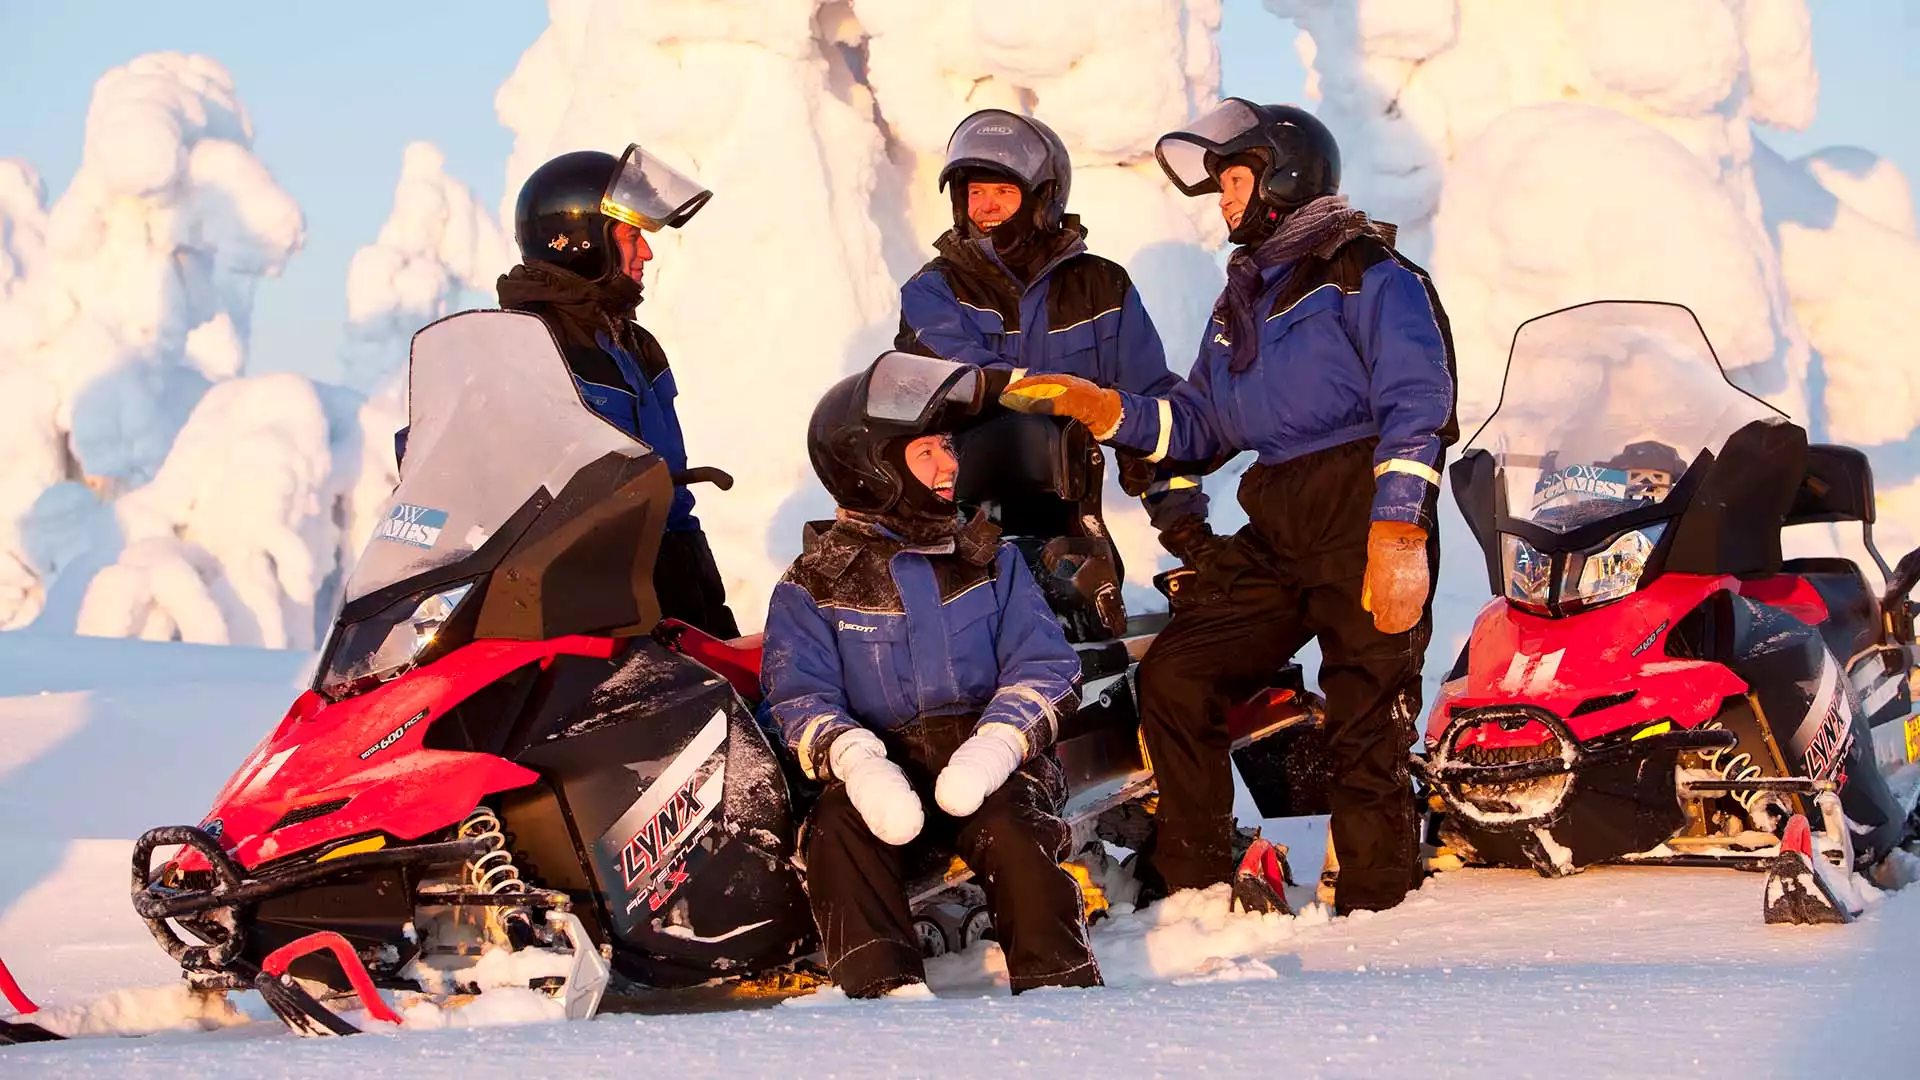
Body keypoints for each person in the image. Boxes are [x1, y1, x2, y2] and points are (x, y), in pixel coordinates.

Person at [999, 100, 1458, 915]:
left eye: (1235, 179)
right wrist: (1107, 410)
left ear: (1284, 173)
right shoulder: (1242, 299)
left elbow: (1419, 401)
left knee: (1365, 713)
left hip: (1363, 507)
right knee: (1177, 674)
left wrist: (1398, 528)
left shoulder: (1369, 274)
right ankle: (1199, 886)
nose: (1225, 198)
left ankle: (1379, 909)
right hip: (1279, 516)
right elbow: (1200, 425)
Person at [762, 353, 1102, 998]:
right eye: (927, 452)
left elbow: (1046, 664)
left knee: (1011, 829)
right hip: (886, 768)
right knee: (836, 831)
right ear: (873, 469)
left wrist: (998, 745)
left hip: (993, 761)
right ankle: (885, 1001)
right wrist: (857, 760)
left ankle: (1062, 990)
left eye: (948, 446)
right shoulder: (812, 586)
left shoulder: (990, 560)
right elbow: (799, 693)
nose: (950, 464)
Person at [895, 109, 1225, 578]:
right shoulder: (933, 291)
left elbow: (1150, 407)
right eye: (976, 193)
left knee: (1091, 610)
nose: (986, 207)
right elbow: (966, 376)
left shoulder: (1101, 288)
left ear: (1042, 200)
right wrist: (1075, 405)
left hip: (1068, 522)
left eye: (1004, 193)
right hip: (958, 526)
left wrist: (1187, 532)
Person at [495, 144, 739, 637]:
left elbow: (670, 495)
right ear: (581, 240)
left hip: (666, 584)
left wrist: (709, 612)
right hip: (575, 604)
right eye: (632, 237)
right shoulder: (523, 347)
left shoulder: (635, 344)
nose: (646, 252)